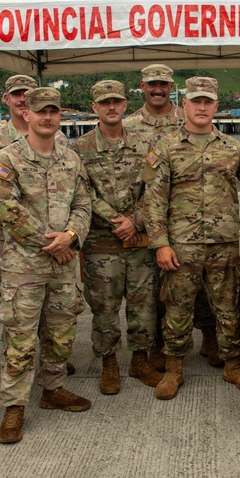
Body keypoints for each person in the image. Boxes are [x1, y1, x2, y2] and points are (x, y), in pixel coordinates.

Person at [143, 76, 240, 400]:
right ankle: (175, 369)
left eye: (208, 102)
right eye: (196, 101)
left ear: (216, 106)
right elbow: (154, 198)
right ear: (185, 104)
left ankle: (233, 365)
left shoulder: (233, 148)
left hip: (225, 244)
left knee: (229, 308)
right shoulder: (166, 146)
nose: (202, 107)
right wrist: (160, 243)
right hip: (181, 246)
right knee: (177, 308)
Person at [0, 87, 92, 444]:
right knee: (20, 340)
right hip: (24, 266)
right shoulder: (7, 158)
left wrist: (73, 235)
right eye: (40, 112)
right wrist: (53, 241)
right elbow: (7, 209)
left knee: (61, 335)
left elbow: (83, 203)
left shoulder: (70, 159)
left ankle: (53, 388)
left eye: (53, 111)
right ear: (26, 115)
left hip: (62, 264)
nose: (47, 117)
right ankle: (14, 408)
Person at [0, 75, 77, 376]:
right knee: (18, 312)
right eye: (17, 94)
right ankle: (21, 370)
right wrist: (51, 242)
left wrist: (68, 237)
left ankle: (51, 363)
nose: (23, 98)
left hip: (60, 243)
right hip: (18, 245)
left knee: (57, 313)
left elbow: (72, 194)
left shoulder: (60, 141)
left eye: (28, 93)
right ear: (9, 100)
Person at [124, 64, 217, 370]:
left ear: (172, 86)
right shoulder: (130, 125)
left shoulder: (188, 116)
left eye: (164, 82)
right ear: (142, 85)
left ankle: (209, 340)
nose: (158, 88)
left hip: (185, 220)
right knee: (153, 289)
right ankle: (158, 346)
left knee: (199, 286)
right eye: (152, 83)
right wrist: (136, 221)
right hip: (144, 218)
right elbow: (135, 180)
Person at [72, 80, 162, 395]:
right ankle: (108, 362)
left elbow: (155, 187)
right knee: (104, 306)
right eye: (104, 102)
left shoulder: (145, 143)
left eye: (117, 102)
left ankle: (139, 359)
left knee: (143, 303)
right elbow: (81, 192)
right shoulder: (79, 148)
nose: (111, 107)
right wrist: (115, 220)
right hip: (101, 242)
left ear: (125, 106)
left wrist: (135, 221)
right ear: (95, 108)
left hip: (138, 239)